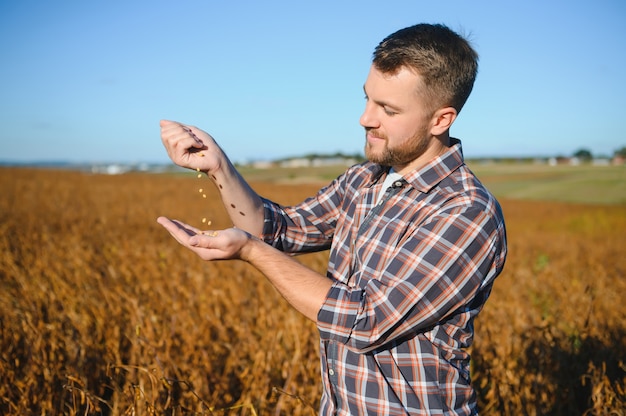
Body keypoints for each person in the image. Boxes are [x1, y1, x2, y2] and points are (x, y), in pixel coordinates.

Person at [157, 23, 507, 416]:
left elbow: (367, 321)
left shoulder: (465, 212)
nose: (365, 118)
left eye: (388, 110)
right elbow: (278, 229)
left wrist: (251, 252)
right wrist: (218, 166)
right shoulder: (364, 179)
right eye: (367, 99)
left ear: (441, 120)